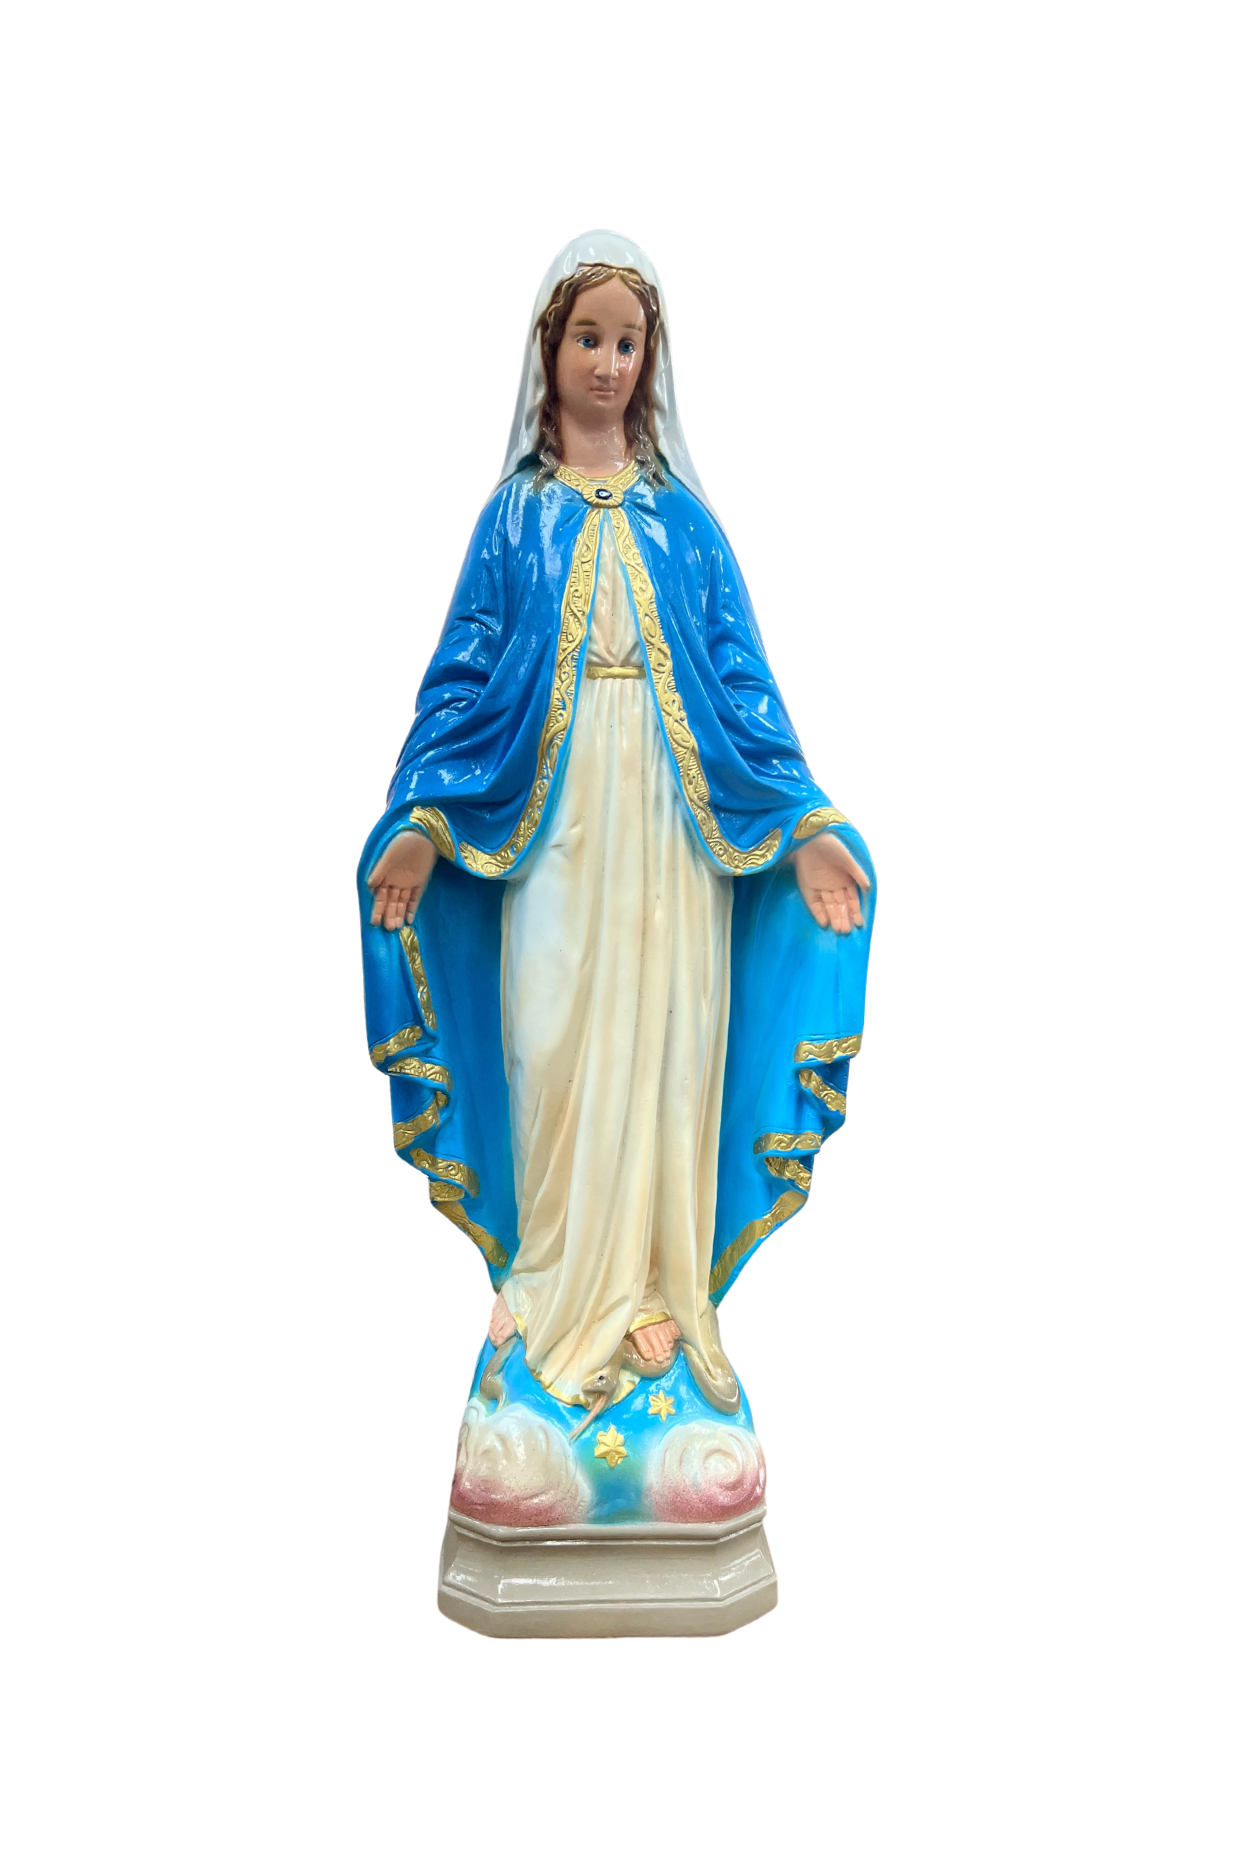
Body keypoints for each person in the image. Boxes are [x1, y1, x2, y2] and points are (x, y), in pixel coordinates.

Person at [359, 231, 874, 1431]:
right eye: (585, 337)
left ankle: (654, 1287)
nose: (606, 362)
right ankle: (546, 1277)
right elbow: (462, 678)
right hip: (551, 814)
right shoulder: (513, 520)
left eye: (626, 342)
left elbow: (739, 686)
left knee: (665, 1038)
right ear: (547, 350)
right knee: (550, 1031)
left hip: (672, 818)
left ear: (652, 359)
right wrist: (423, 818)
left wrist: (800, 821)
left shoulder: (683, 525)